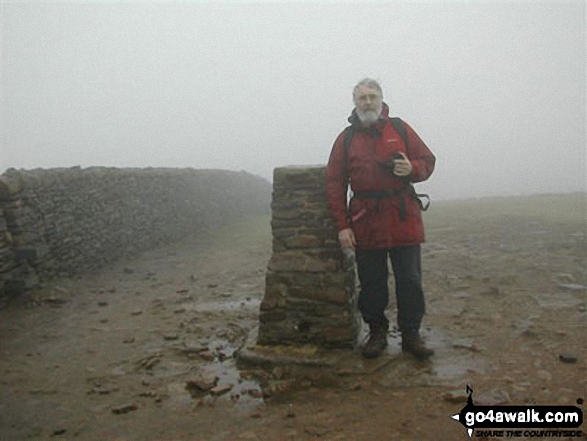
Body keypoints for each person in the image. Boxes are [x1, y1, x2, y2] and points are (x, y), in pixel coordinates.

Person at [326, 78, 436, 359]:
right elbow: (335, 184)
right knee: (372, 282)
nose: (367, 102)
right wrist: (342, 226)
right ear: (354, 102)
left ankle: (411, 334)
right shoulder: (346, 139)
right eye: (362, 98)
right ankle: (377, 333)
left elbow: (427, 161)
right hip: (366, 221)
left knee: (410, 280)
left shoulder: (399, 128)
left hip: (403, 217)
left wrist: (412, 168)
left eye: (372, 97)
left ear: (381, 99)